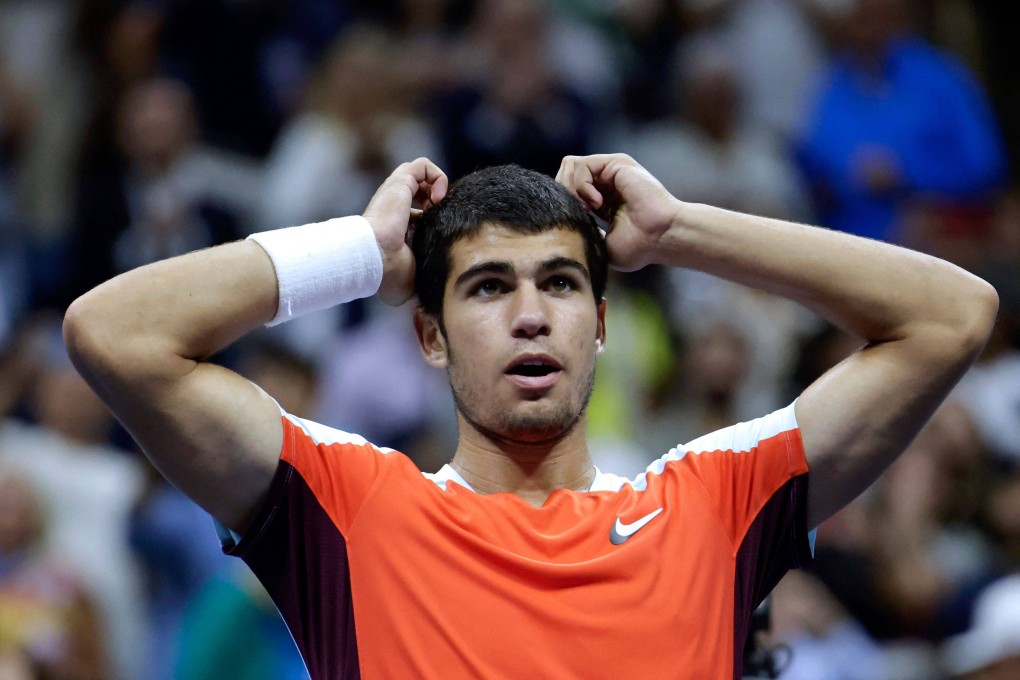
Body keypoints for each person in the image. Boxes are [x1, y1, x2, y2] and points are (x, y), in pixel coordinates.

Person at [62, 154, 998, 679]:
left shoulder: (715, 501)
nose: (528, 313)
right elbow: (115, 333)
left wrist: (677, 233)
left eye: (559, 282)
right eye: (485, 287)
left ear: (598, 325)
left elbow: (951, 315)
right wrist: (361, 250)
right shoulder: (346, 505)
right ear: (428, 335)